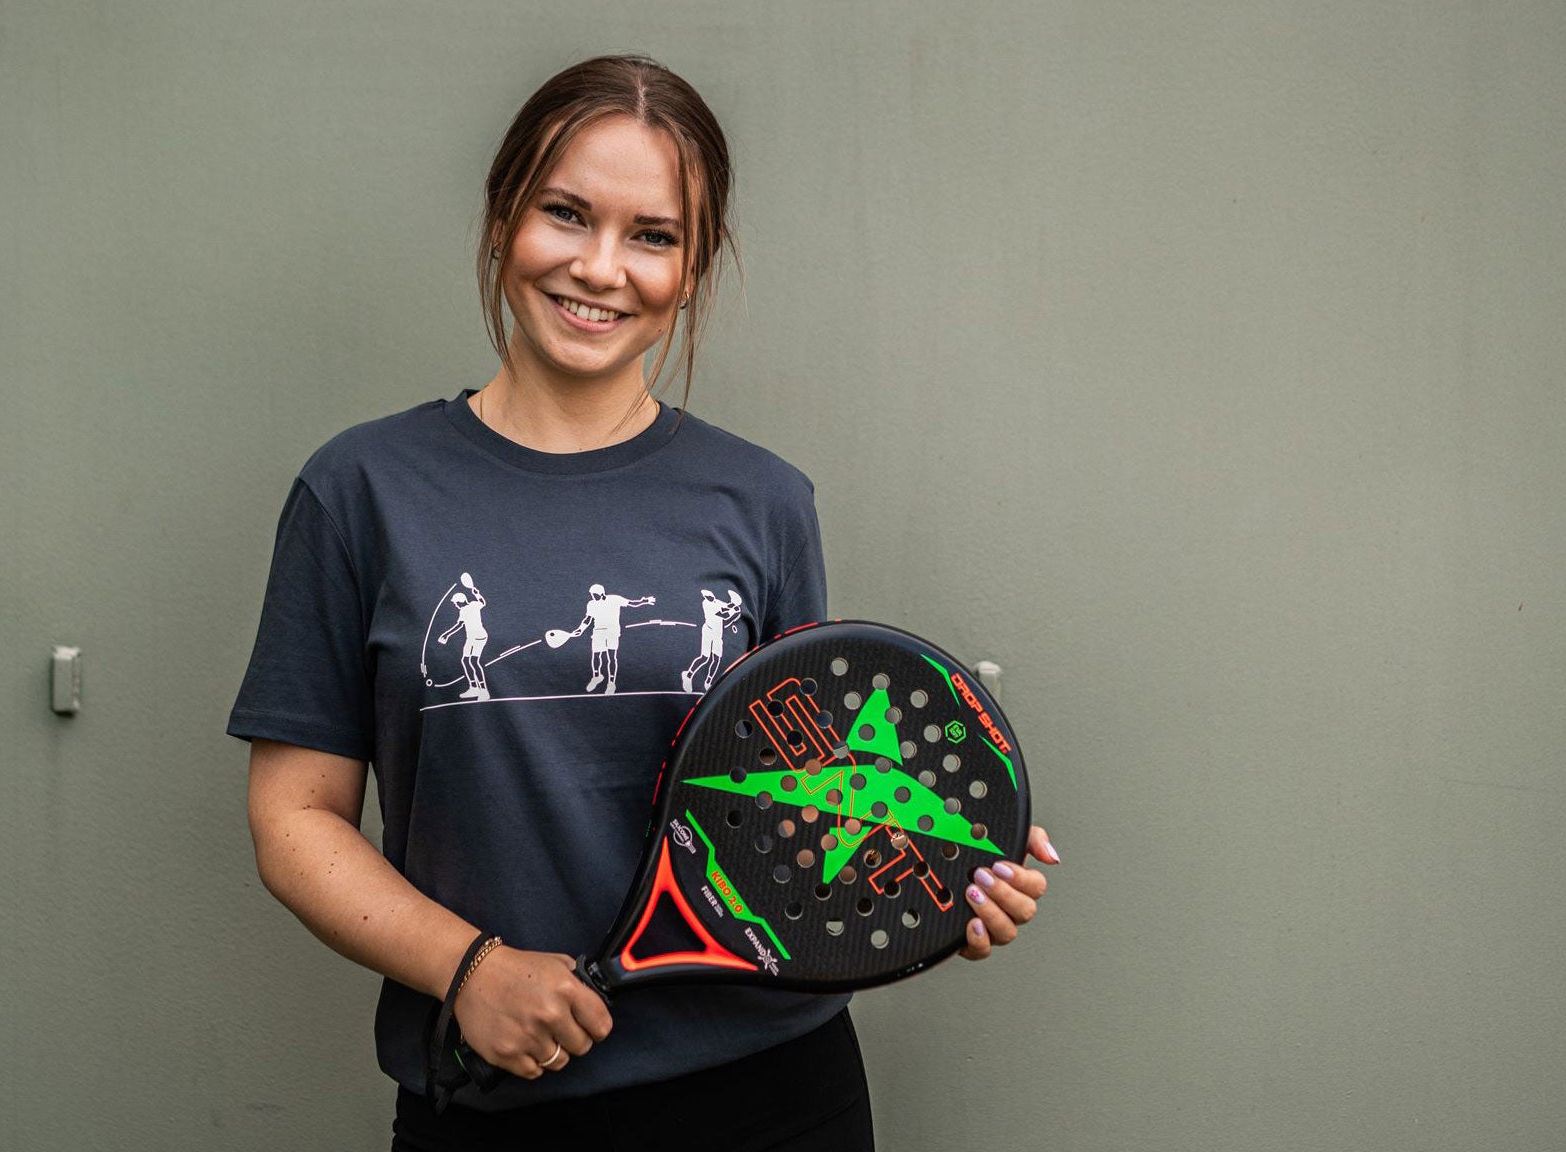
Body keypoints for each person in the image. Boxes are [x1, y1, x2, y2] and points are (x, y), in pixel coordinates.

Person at [230, 54, 1057, 1151]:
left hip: (776, 1095)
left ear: (693, 266)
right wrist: (466, 969)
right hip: (496, 1099)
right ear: (499, 219)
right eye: (564, 214)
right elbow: (294, 821)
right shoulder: (359, 491)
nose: (600, 267)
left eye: (652, 235)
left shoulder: (761, 500)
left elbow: (795, 815)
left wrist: (924, 878)